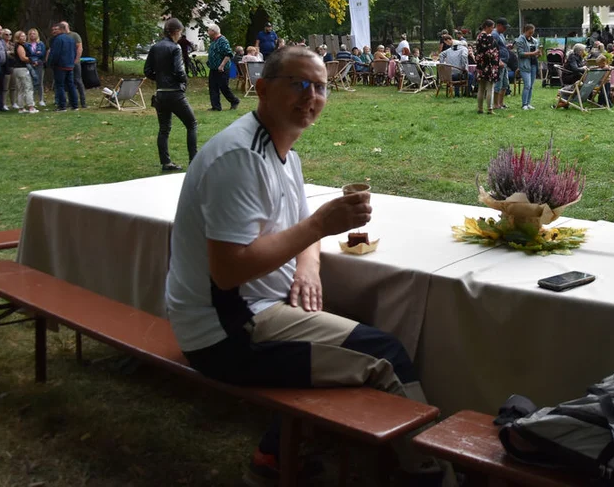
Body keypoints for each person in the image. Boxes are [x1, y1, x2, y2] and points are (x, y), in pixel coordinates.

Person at [164, 45, 448, 484]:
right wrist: (320, 224)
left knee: (362, 329)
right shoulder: (239, 158)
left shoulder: (283, 153)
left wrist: (308, 268)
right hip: (223, 334)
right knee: (385, 355)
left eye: (320, 86)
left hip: (257, 309)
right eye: (297, 83)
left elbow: (300, 230)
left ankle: (276, 453)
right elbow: (228, 271)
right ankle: (429, 474)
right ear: (261, 88)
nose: (310, 96)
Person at [144, 18, 197, 172]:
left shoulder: (155, 47)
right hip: (175, 93)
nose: (180, 35)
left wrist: (159, 79)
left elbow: (147, 71)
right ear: (176, 32)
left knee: (164, 129)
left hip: (161, 93)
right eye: (180, 32)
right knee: (191, 124)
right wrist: (184, 82)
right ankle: (193, 160)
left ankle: (166, 162)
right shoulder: (175, 48)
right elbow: (179, 70)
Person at [206, 24, 240, 111]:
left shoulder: (223, 40)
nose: (207, 32)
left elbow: (228, 54)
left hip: (222, 68)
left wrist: (222, 65)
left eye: (208, 30)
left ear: (213, 31)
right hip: (213, 68)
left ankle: (234, 101)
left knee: (223, 86)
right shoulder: (214, 41)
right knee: (213, 87)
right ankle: (216, 107)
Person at [47, 23, 79, 111]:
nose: (54, 32)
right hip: (69, 65)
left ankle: (62, 105)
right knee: (71, 85)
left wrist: (51, 63)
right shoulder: (71, 39)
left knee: (60, 85)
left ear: (61, 29)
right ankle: (75, 105)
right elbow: (74, 51)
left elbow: (55, 53)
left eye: (56, 30)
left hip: (60, 66)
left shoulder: (58, 39)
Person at [474, 19, 499, 115]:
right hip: (489, 65)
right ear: (487, 27)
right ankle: (490, 109)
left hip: (480, 65)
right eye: (492, 27)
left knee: (481, 88)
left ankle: (480, 108)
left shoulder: (478, 36)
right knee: (490, 88)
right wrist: (496, 54)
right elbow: (490, 52)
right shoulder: (489, 38)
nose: (493, 29)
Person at [61, 22, 88, 109]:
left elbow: (79, 48)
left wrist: (76, 60)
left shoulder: (74, 35)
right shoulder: (61, 37)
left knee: (78, 81)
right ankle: (71, 101)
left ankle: (83, 102)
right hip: (66, 63)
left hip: (74, 62)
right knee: (69, 82)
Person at [513, 23, 540, 110]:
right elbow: (520, 53)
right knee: (527, 85)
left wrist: (538, 54)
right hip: (524, 65)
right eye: (529, 32)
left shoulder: (534, 41)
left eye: (532, 32)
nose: (531, 34)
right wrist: (533, 53)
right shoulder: (520, 40)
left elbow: (535, 53)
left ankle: (528, 103)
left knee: (531, 85)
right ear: (525, 31)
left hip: (533, 64)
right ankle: (524, 104)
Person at [10, 31, 38, 113]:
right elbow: (23, 58)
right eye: (22, 36)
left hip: (17, 69)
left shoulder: (20, 45)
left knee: (21, 89)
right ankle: (31, 107)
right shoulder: (20, 46)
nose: (24, 37)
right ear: (18, 38)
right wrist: (32, 60)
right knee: (28, 87)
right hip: (22, 68)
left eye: (24, 35)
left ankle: (21, 107)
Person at [492, 18, 510, 110]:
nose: (505, 29)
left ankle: (501, 103)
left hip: (505, 62)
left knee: (505, 84)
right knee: (498, 83)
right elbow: (493, 49)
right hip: (500, 62)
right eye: (504, 27)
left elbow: (501, 47)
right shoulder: (494, 34)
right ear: (498, 25)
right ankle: (495, 104)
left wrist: (507, 47)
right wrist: (498, 61)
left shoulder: (501, 35)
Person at [26, 28, 47, 107]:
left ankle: (41, 99)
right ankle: (32, 99)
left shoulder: (40, 44)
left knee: (40, 82)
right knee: (31, 82)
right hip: (30, 64)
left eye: (34, 33)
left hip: (39, 64)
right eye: (30, 33)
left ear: (37, 35)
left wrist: (35, 56)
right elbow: (28, 54)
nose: (32, 35)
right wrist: (35, 55)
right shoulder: (27, 44)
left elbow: (42, 54)